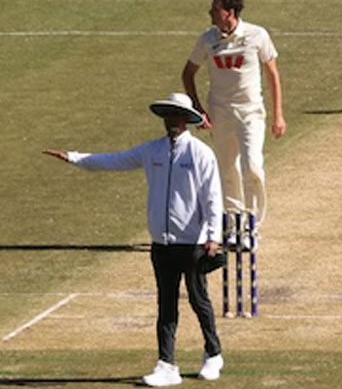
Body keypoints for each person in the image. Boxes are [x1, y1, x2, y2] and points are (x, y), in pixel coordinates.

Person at [44, 93, 224, 387]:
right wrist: (74, 157)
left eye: (175, 115)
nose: (170, 120)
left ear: (186, 119)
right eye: (167, 114)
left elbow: (213, 196)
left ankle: (213, 353)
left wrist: (213, 236)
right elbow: (115, 160)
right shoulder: (152, 150)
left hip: (192, 242)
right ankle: (167, 365)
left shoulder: (201, 153)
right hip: (161, 243)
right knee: (166, 305)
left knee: (198, 299)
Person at [182, 0, 286, 234]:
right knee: (227, 168)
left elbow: (272, 75)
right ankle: (232, 221)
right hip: (220, 114)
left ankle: (251, 224)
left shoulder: (257, 35)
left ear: (229, 12)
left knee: (253, 167)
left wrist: (278, 115)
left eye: (215, 9)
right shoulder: (207, 39)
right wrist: (198, 110)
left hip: (250, 113)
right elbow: (187, 74)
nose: (210, 13)